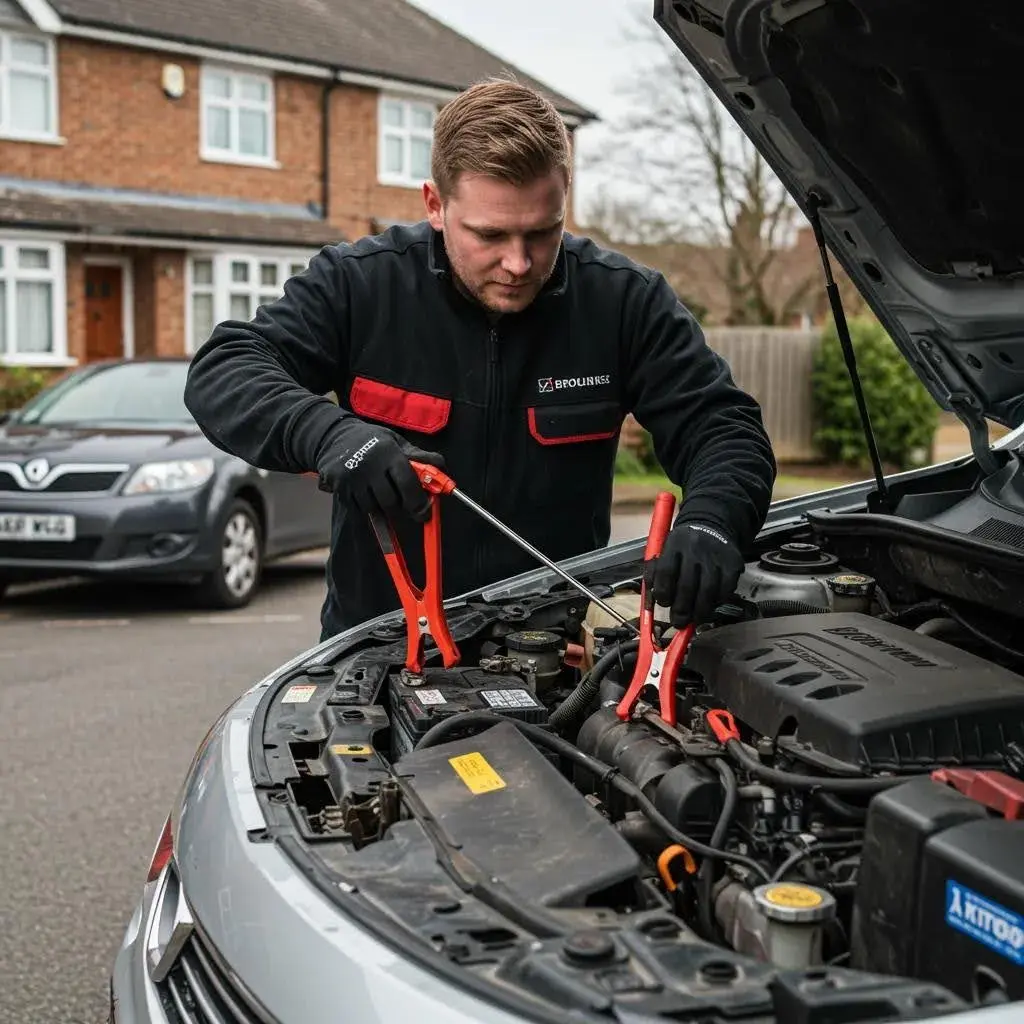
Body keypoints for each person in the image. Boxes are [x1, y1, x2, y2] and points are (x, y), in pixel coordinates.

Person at [183, 78, 776, 643]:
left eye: (543, 233)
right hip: (381, 653)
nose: (519, 264)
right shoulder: (360, 286)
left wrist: (712, 521)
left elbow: (722, 427)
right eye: (491, 236)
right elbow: (225, 368)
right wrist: (332, 437)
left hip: (559, 653)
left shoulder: (623, 302)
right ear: (435, 204)